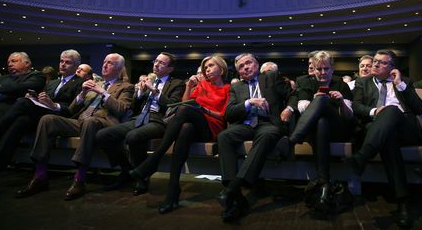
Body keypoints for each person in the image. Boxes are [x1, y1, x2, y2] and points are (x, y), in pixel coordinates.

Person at [15, 53, 134, 200]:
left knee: (90, 122)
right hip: (81, 121)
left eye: (110, 63)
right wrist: (82, 94)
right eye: (104, 61)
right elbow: (71, 110)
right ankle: (40, 175)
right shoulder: (95, 83)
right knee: (48, 119)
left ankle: (80, 178)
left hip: (103, 123)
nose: (104, 65)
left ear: (119, 68)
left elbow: (121, 109)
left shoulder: (126, 87)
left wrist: (102, 92)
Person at [129, 55, 230, 214]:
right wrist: (189, 87)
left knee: (187, 113)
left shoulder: (228, 89)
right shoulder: (202, 85)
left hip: (211, 128)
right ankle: (172, 190)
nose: (207, 70)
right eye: (205, 68)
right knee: (185, 128)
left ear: (221, 69)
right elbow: (183, 104)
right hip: (194, 124)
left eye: (210, 66)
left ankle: (155, 159)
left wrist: (203, 110)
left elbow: (225, 116)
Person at [349, 49, 422, 228]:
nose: (375, 64)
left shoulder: (404, 82)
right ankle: (403, 203)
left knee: (391, 109)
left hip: (406, 130)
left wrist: (400, 85)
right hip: (377, 129)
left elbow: (419, 109)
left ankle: (363, 156)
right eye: (375, 60)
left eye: (382, 62)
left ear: (392, 67)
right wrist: (374, 111)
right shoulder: (363, 82)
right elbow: (357, 106)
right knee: (388, 138)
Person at [94, 52, 185, 193]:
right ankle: (128, 169)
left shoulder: (176, 83)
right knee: (102, 135)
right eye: (156, 61)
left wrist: (154, 91)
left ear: (170, 69)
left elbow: (173, 105)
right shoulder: (148, 80)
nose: (156, 64)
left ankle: (142, 178)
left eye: (162, 63)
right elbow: (133, 108)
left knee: (133, 136)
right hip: (138, 118)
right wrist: (139, 93)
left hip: (158, 120)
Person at [0, 49, 85, 192]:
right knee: (21, 121)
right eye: (61, 61)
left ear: (76, 66)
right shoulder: (52, 83)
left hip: (61, 117)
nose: (63, 65)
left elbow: (73, 110)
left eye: (68, 62)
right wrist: (34, 99)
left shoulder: (81, 83)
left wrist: (53, 105)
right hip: (41, 115)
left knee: (23, 104)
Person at [216, 53, 291, 223]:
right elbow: (229, 113)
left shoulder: (270, 77)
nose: (246, 67)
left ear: (257, 64)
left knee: (268, 134)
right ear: (239, 73)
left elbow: (292, 95)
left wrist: (290, 109)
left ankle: (232, 191)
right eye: (241, 67)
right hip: (246, 125)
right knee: (224, 136)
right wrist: (249, 102)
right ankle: (235, 196)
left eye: (248, 63)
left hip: (267, 123)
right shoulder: (237, 88)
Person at [278, 51, 354, 212]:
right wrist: (317, 100)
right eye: (319, 69)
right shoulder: (307, 83)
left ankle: (292, 141)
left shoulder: (341, 85)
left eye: (326, 69)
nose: (323, 73)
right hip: (314, 129)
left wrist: (341, 103)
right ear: (313, 69)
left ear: (332, 69)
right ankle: (324, 185)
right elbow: (302, 109)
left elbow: (348, 117)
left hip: (338, 128)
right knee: (321, 120)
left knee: (323, 103)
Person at [0, 52, 46, 121]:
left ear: (27, 63)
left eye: (13, 61)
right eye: (8, 63)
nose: (9, 65)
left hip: (14, 113)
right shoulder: (1, 78)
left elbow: (24, 87)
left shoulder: (36, 76)